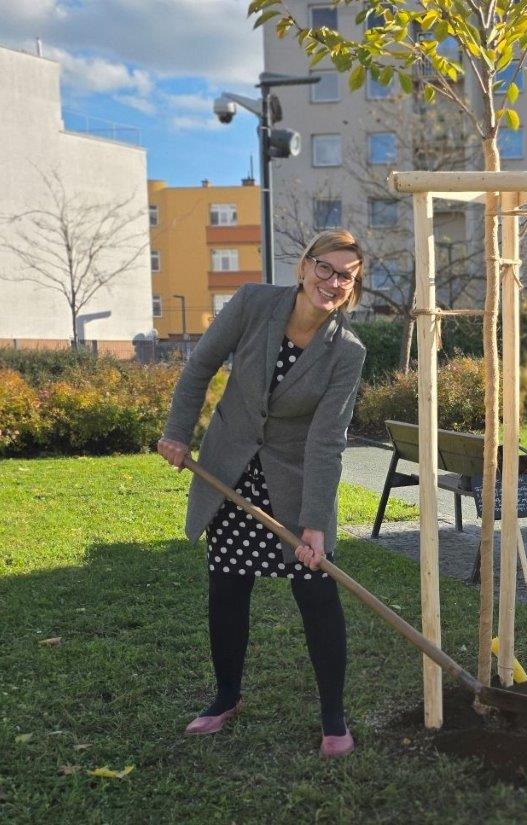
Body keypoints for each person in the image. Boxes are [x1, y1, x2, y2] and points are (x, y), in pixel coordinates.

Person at [156, 229, 368, 756]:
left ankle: (333, 716)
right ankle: (225, 696)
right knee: (227, 586)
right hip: (230, 469)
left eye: (347, 276)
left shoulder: (347, 352)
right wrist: (179, 432)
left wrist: (315, 521)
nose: (334, 282)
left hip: (294, 480)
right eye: (326, 268)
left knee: (317, 594)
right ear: (304, 266)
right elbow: (200, 365)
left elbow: (326, 441)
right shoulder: (253, 303)